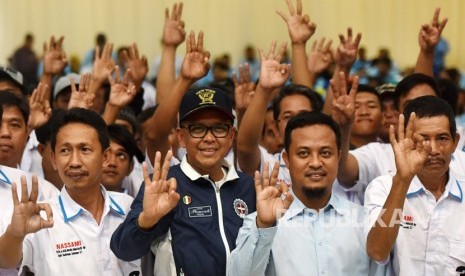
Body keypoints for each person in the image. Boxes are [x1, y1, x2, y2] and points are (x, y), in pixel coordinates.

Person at [110, 86, 256, 275]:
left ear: (231, 136)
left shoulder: (247, 186)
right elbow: (124, 250)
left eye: (219, 128)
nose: (209, 138)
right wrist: (147, 220)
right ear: (181, 137)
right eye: (197, 129)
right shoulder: (165, 183)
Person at [229, 111, 384, 275]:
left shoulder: (363, 220)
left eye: (325, 153)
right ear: (287, 159)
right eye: (303, 153)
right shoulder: (259, 221)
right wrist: (265, 227)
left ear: (338, 157)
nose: (316, 163)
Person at [1, 108, 141, 275]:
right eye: (65, 151)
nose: (74, 162)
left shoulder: (127, 207)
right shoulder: (42, 218)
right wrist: (15, 233)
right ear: (53, 159)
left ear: (105, 157)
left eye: (85, 149)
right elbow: (5, 261)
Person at [365, 96, 465, 275]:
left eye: (442, 138)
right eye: (423, 139)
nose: (433, 149)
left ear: (455, 142)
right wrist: (403, 180)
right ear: (406, 141)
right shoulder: (383, 188)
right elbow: (377, 252)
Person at [102, 124, 142, 193]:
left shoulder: (138, 203)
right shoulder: (77, 201)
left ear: (130, 168)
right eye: (105, 154)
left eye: (121, 155)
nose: (112, 163)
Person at [349, 84, 382, 149]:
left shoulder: (393, 152)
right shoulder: (336, 153)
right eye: (356, 107)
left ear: (382, 116)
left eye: (371, 106)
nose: (364, 112)